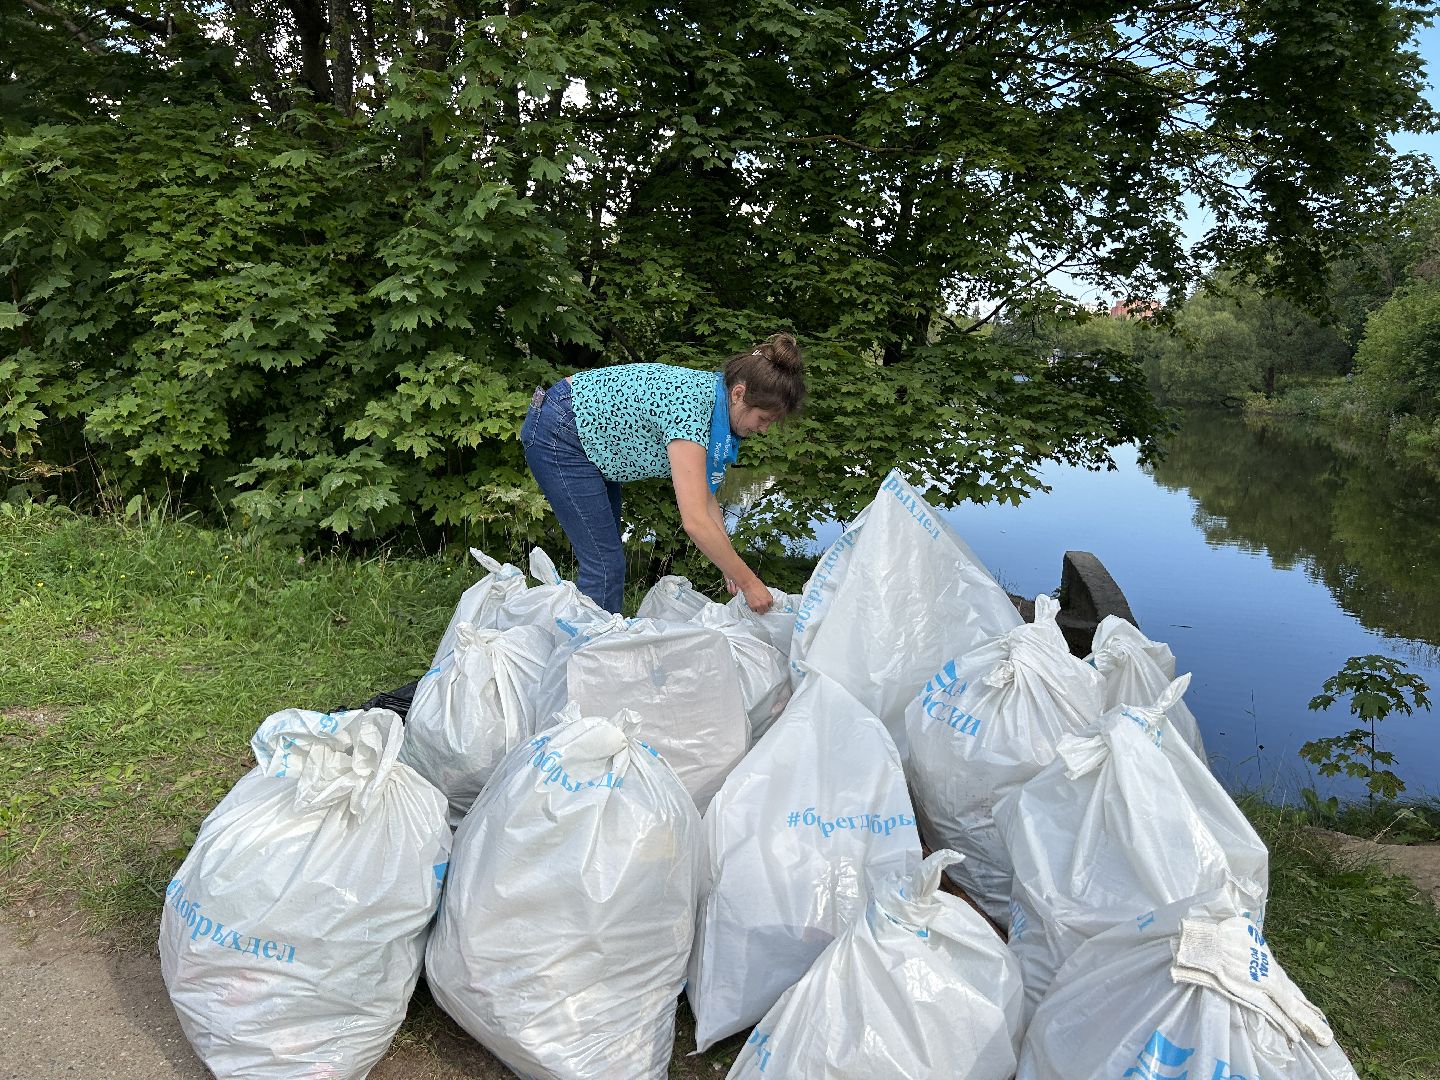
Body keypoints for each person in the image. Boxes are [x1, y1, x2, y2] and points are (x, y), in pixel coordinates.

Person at [520, 334, 806, 616]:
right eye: (764, 419)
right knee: (605, 565)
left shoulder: (713, 408)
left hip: (588, 443)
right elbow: (695, 520)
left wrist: (730, 565)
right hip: (560, 433)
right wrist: (749, 582)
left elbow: (705, 497)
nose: (764, 429)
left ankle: (593, 644)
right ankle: (590, 656)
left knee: (606, 562)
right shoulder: (690, 412)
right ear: (739, 394)